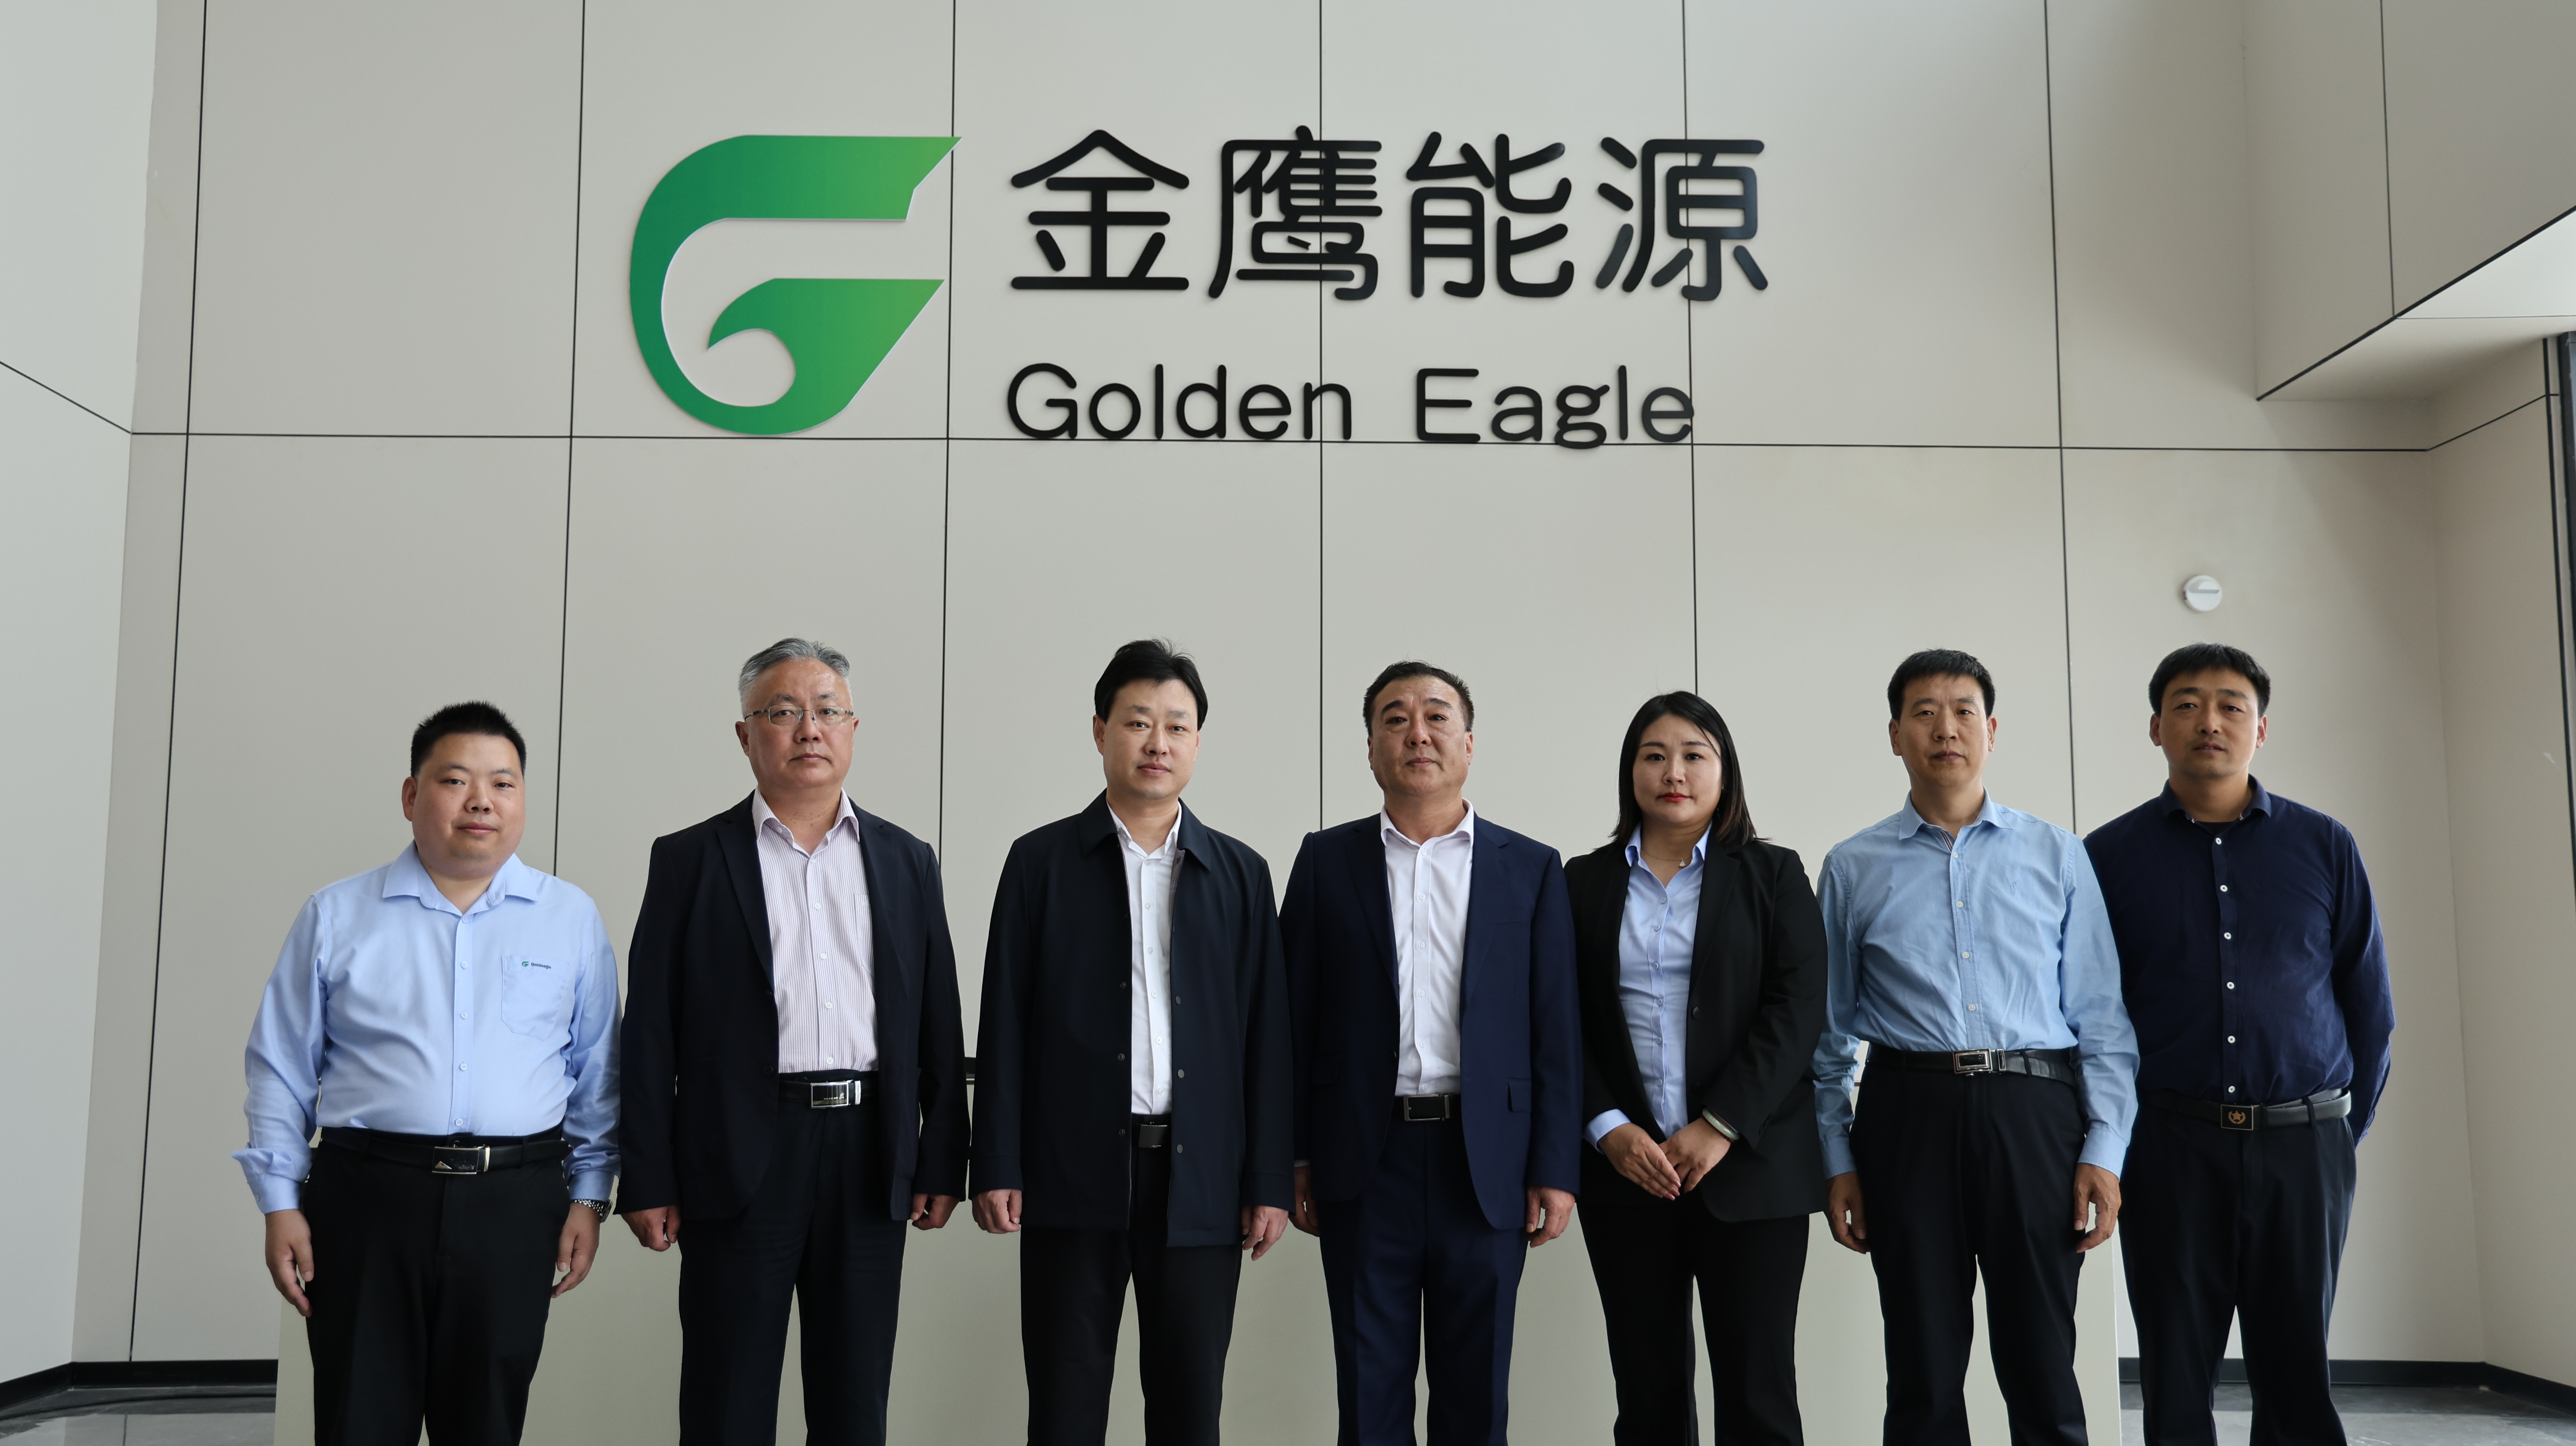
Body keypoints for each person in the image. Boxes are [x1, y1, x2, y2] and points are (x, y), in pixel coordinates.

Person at [237, 702, 618, 1446]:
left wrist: (589, 1196)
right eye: (455, 780)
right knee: (359, 1420)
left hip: (515, 1205)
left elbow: (598, 1073)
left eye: (503, 783)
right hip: (367, 1201)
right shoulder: (337, 914)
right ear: (412, 795)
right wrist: (279, 1202)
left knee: (486, 1425)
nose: (482, 801)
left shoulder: (569, 917)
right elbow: (280, 1067)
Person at [619, 638, 968, 1446]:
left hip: (870, 1152)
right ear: (746, 735)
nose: (809, 728)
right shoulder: (689, 861)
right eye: (783, 712)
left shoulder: (907, 861)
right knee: (727, 1403)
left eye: (827, 711)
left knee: (854, 1405)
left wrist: (942, 1157)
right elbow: (650, 1036)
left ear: (853, 730)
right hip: (740, 1152)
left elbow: (938, 1024)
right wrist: (647, 1175)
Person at [971, 640, 1293, 1446]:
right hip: (1070, 1171)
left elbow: (1267, 1040)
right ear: (1100, 731)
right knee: (1065, 1406)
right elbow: (1005, 1021)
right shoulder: (1039, 863)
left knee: (1190, 1410)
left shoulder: (1242, 874)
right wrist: (998, 1162)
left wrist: (1267, 1180)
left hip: (1202, 1180)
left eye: (1177, 726)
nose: (1158, 743)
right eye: (1138, 722)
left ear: (1197, 742)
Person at [1813, 649, 2138, 1446]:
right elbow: (1828, 1033)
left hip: (2037, 1114)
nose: (1945, 729)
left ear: (1992, 731)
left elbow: (2102, 1019)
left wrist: (2105, 1150)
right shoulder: (1852, 867)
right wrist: (1837, 1158)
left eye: (1963, 712)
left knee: (2042, 1363)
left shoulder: (2057, 853)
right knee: (1921, 1367)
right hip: (1906, 1116)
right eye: (1924, 713)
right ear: (1895, 735)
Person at [2084, 644, 2394, 1446]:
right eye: (2187, 704)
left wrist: (2336, 1136)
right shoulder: (2106, 858)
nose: (2210, 721)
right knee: (2175, 1372)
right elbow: (2089, 1012)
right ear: (2156, 727)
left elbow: (2369, 1006)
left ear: (2261, 728)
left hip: (2303, 1143)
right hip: (2169, 1146)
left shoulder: (2325, 845)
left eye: (2231, 705)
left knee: (2296, 1375)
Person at [1283, 661, 1581, 1446]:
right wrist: (1296, 1155)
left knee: (1475, 1401)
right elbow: (1293, 1020)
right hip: (1362, 1157)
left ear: (1469, 744)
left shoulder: (1531, 867)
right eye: (1395, 718)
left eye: (1437, 716)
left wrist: (1555, 1166)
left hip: (1487, 1162)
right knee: (1368, 1398)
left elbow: (1556, 1027)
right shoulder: (1324, 861)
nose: (1417, 733)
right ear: (1370, 748)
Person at [1565, 692, 1828, 1446]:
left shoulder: (1774, 873)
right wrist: (1607, 1127)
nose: (1673, 772)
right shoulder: (1582, 881)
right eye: (1654, 756)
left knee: (1758, 1394)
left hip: (1751, 1171)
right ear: (1631, 772)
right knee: (1647, 1395)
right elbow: (1558, 1019)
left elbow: (1798, 1008)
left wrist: (1720, 1125)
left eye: (1693, 755)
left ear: (1725, 770)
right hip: (1627, 1173)